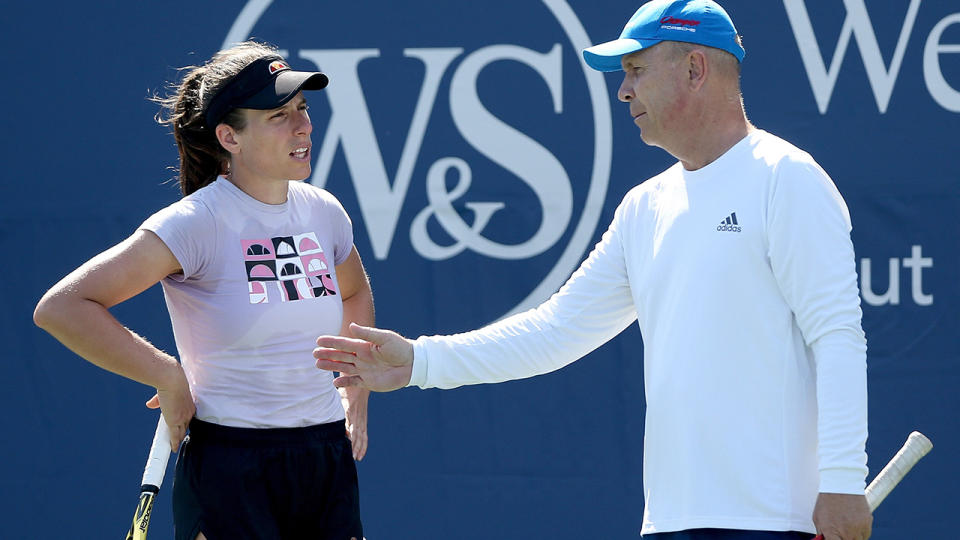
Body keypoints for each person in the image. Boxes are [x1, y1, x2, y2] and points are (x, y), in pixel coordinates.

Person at [312, 1, 872, 539]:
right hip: (671, 519)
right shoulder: (644, 207)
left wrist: (844, 481)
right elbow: (556, 330)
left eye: (636, 70)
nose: (624, 89)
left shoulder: (788, 179)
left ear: (695, 67)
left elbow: (837, 336)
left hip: (777, 520)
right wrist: (419, 361)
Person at [34, 41, 372, 540]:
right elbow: (62, 308)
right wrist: (168, 377)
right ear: (228, 137)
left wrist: (355, 385)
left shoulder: (325, 212)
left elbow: (355, 295)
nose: (303, 126)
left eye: (302, 109)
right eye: (279, 115)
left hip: (325, 459)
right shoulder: (195, 223)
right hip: (230, 468)